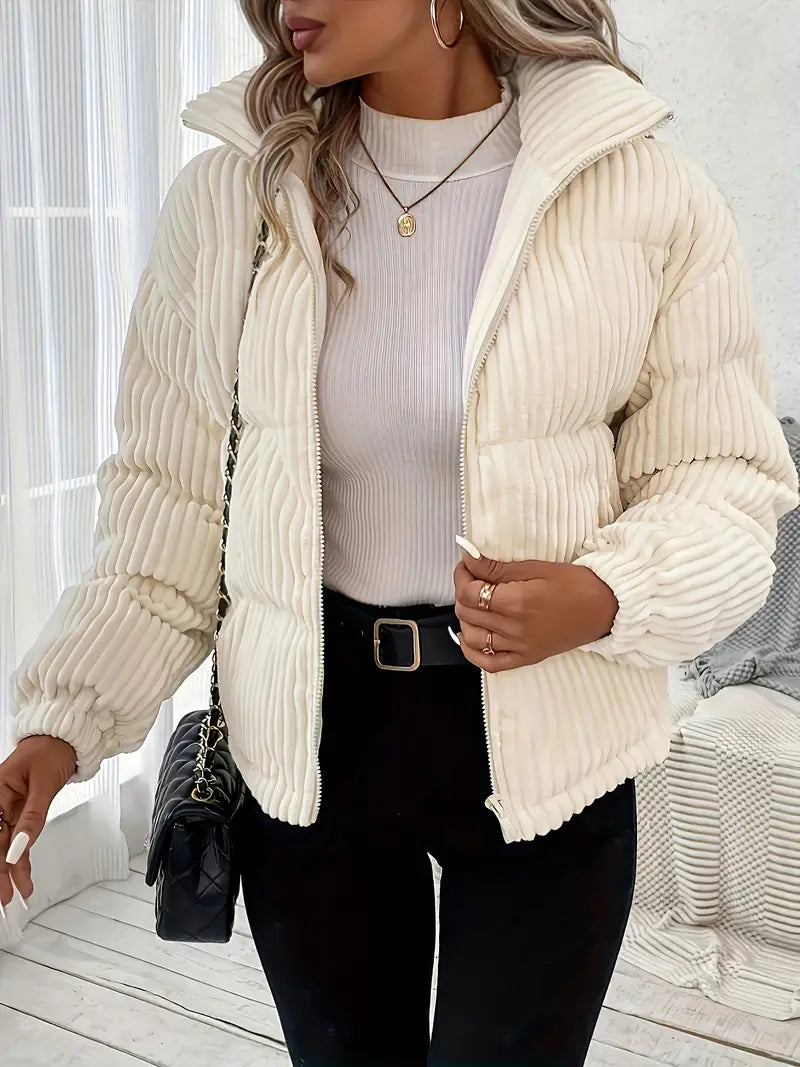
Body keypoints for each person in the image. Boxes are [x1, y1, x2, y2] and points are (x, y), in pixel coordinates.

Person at [1, 0, 797, 1063]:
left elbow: (722, 475)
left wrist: (608, 591)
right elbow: (171, 501)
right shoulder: (233, 199)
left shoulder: (641, 192)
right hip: (310, 739)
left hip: (551, 738)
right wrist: (63, 723)